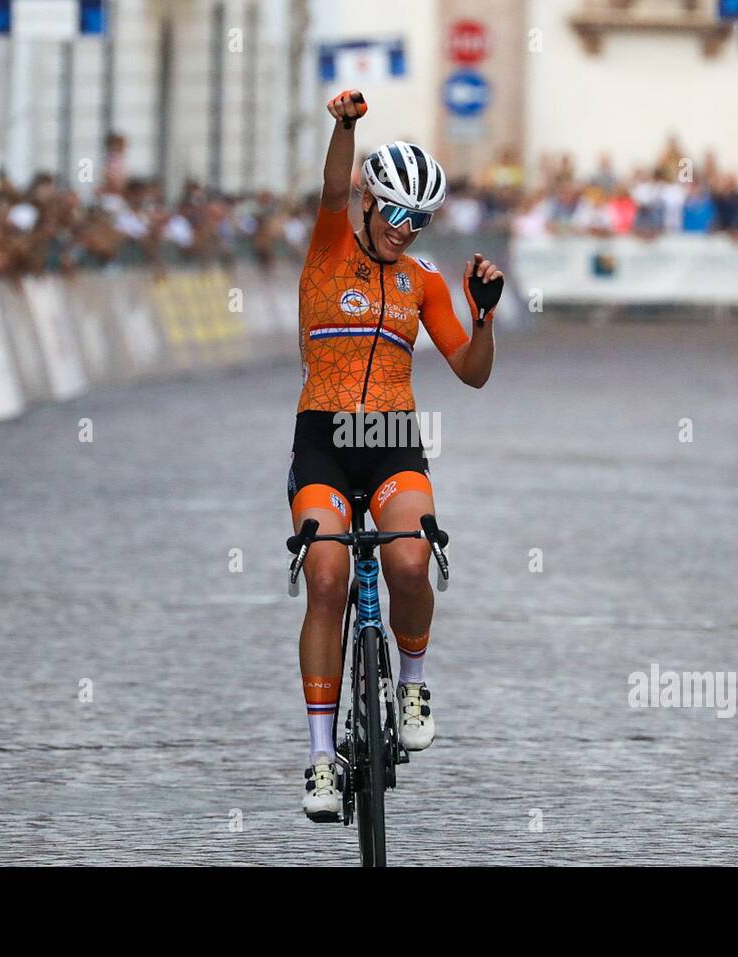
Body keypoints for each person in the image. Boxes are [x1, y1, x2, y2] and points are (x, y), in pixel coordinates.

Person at [290, 89, 501, 821]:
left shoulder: (424, 282)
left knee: (411, 561)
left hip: (390, 441)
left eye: (422, 220)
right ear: (370, 203)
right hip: (323, 437)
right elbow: (331, 186)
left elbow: (471, 372)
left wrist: (483, 317)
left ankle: (412, 680)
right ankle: (322, 756)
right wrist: (345, 128)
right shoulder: (329, 247)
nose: (406, 230)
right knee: (326, 577)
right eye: (397, 214)